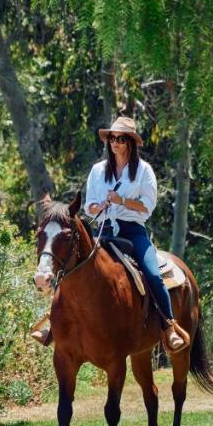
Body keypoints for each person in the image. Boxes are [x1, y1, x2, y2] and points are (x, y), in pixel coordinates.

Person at [83, 116, 188, 352]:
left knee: (152, 274)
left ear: (130, 142)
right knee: (74, 264)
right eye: (112, 138)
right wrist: (96, 208)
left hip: (132, 232)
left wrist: (122, 201)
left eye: (120, 138)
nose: (115, 143)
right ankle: (57, 322)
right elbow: (88, 205)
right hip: (103, 231)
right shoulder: (97, 171)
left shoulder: (143, 171)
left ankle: (169, 327)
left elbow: (147, 206)